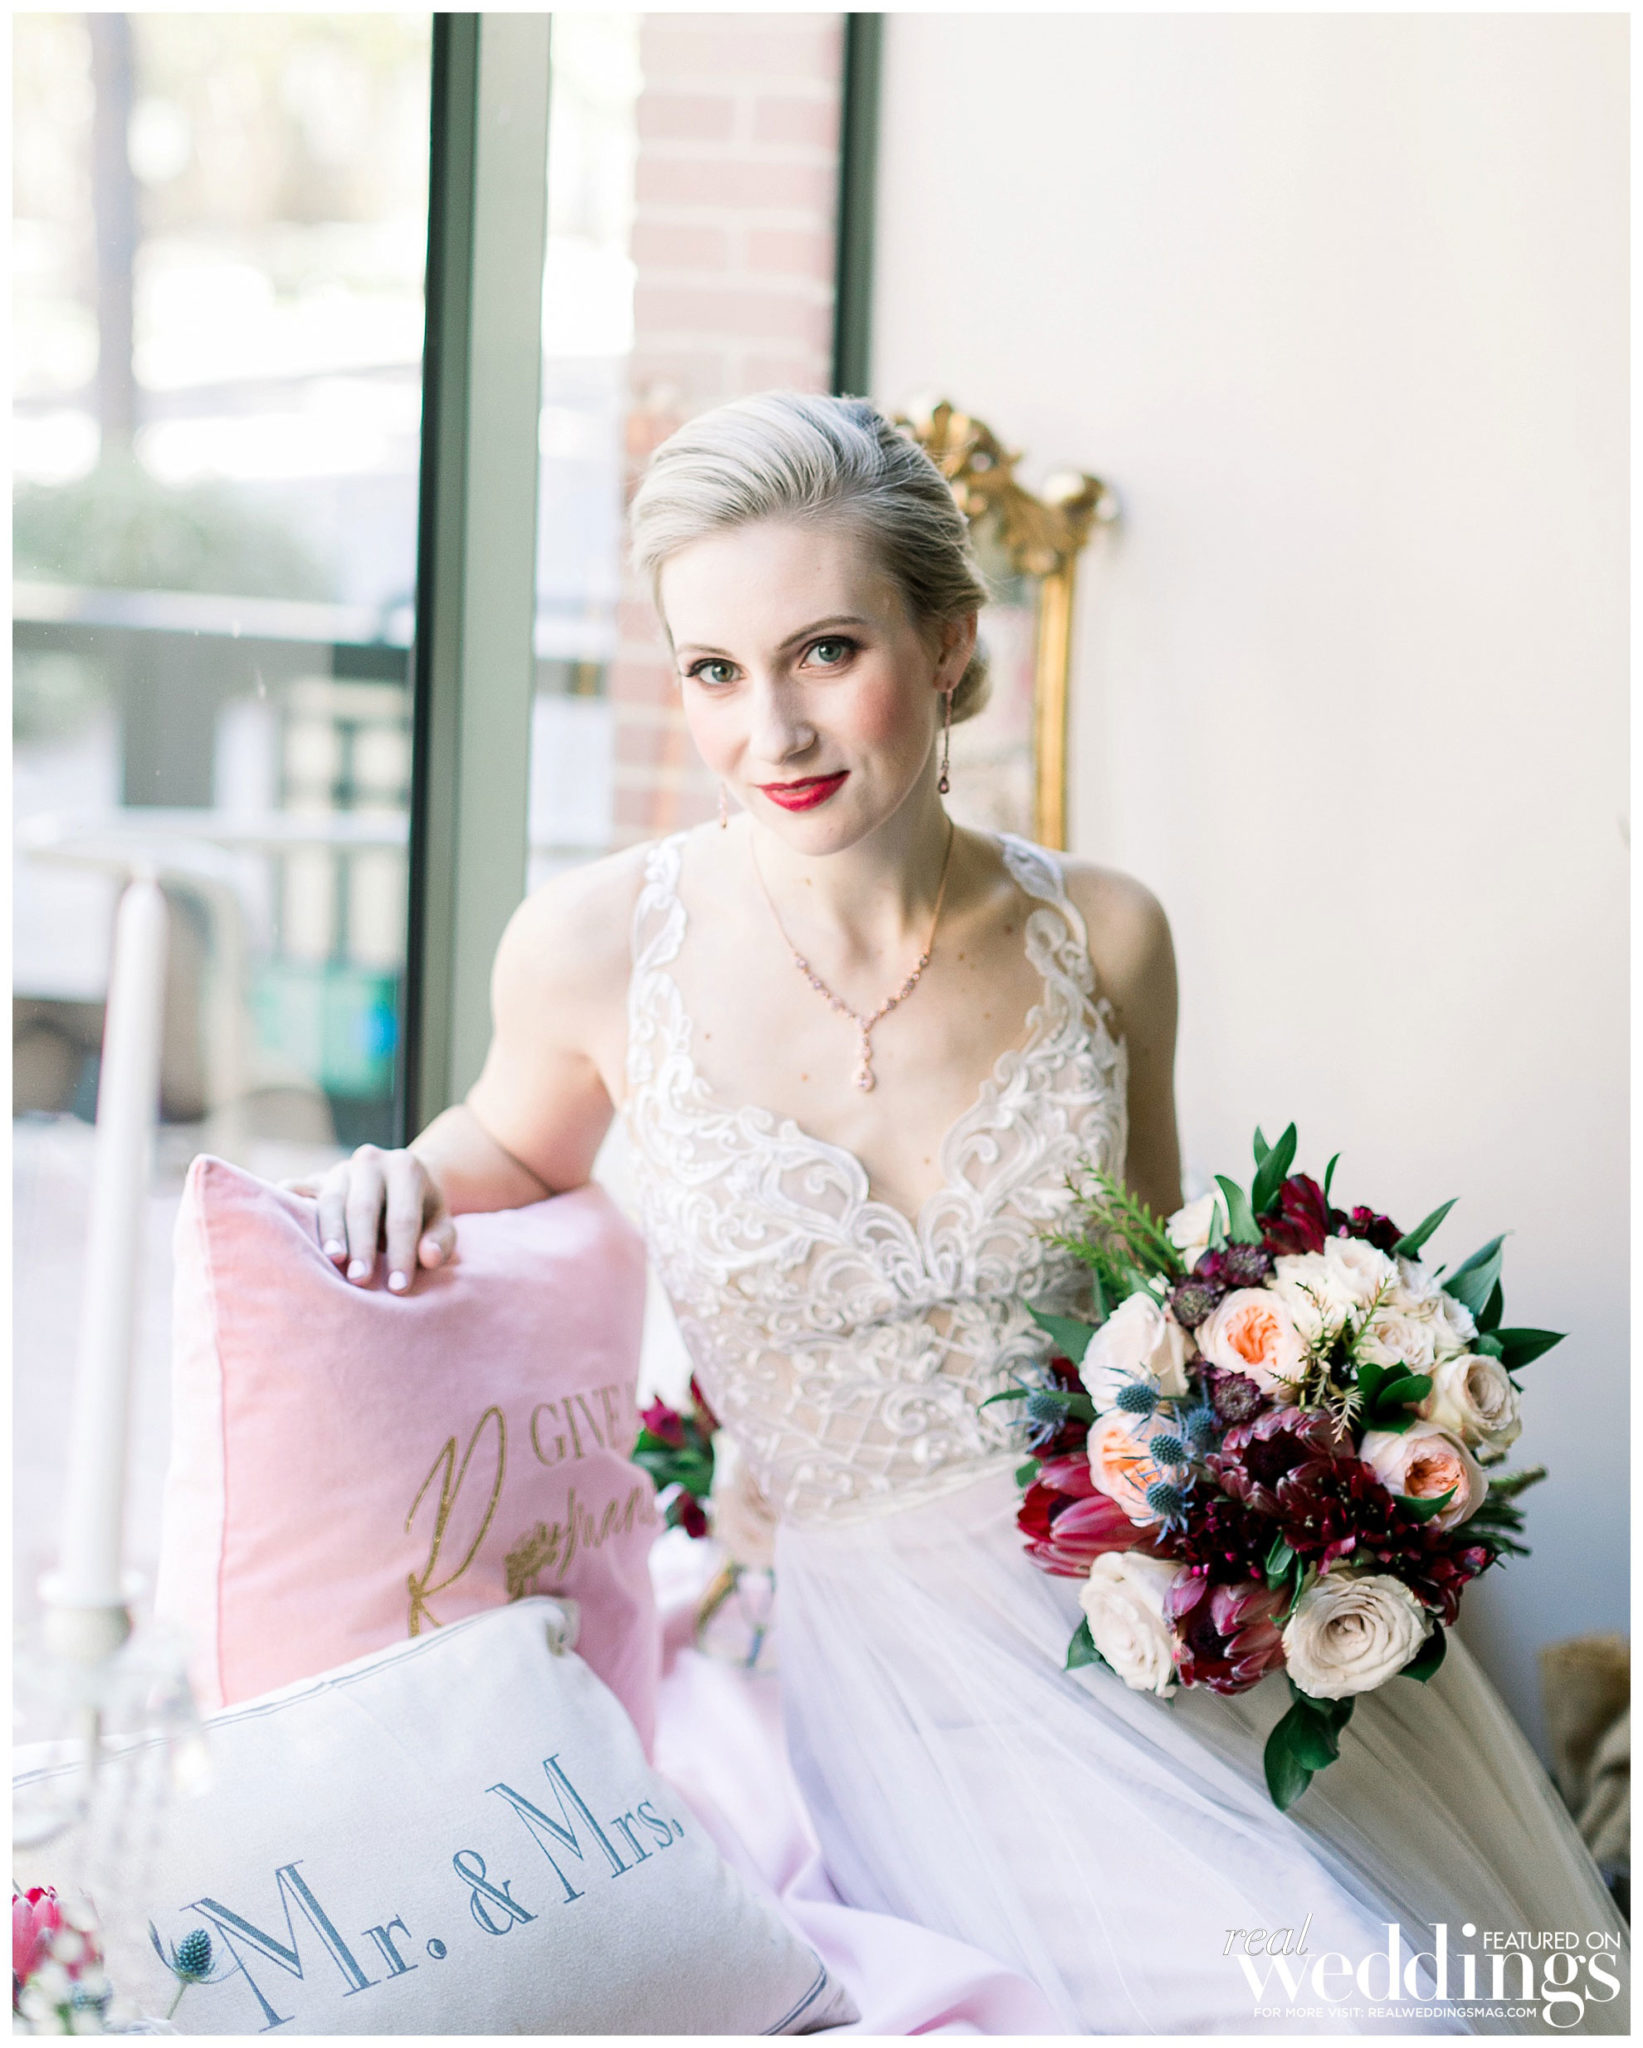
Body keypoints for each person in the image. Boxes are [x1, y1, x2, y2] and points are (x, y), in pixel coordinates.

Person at [301, 394, 1626, 2033]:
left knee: (1392, 2001)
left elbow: (1169, 1316)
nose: (771, 732)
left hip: (1145, 1622)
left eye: (824, 651)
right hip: (886, 1677)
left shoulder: (1109, 936)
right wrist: (408, 1175)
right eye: (714, 671)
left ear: (947, 642)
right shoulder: (589, 951)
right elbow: (507, 1143)